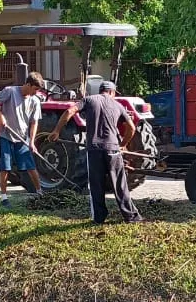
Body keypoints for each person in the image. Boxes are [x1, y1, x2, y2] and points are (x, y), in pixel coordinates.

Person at [50, 79, 143, 225]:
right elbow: (131, 127)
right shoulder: (118, 105)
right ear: (112, 92)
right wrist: (123, 145)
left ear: (101, 90)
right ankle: (131, 216)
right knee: (120, 184)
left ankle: (99, 218)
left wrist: (56, 131)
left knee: (96, 185)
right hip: (112, 148)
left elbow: (69, 111)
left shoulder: (89, 100)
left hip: (94, 149)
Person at [0, 71, 44, 206]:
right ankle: (4, 197)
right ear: (28, 84)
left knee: (31, 166)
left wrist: (32, 141)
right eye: (35, 89)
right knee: (5, 167)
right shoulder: (10, 92)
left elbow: (34, 122)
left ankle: (40, 193)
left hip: (22, 138)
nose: (36, 92)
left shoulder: (35, 101)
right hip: (6, 136)